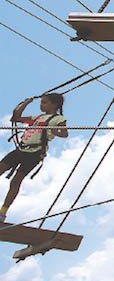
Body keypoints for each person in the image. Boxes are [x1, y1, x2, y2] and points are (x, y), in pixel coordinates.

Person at [0, 93, 68, 223]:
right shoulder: (38, 117)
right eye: (41, 102)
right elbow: (15, 118)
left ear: (54, 105)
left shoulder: (58, 119)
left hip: (35, 153)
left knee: (16, 181)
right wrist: (26, 103)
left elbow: (64, 133)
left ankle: (3, 212)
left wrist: (55, 131)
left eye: (44, 102)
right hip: (22, 149)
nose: (41, 105)